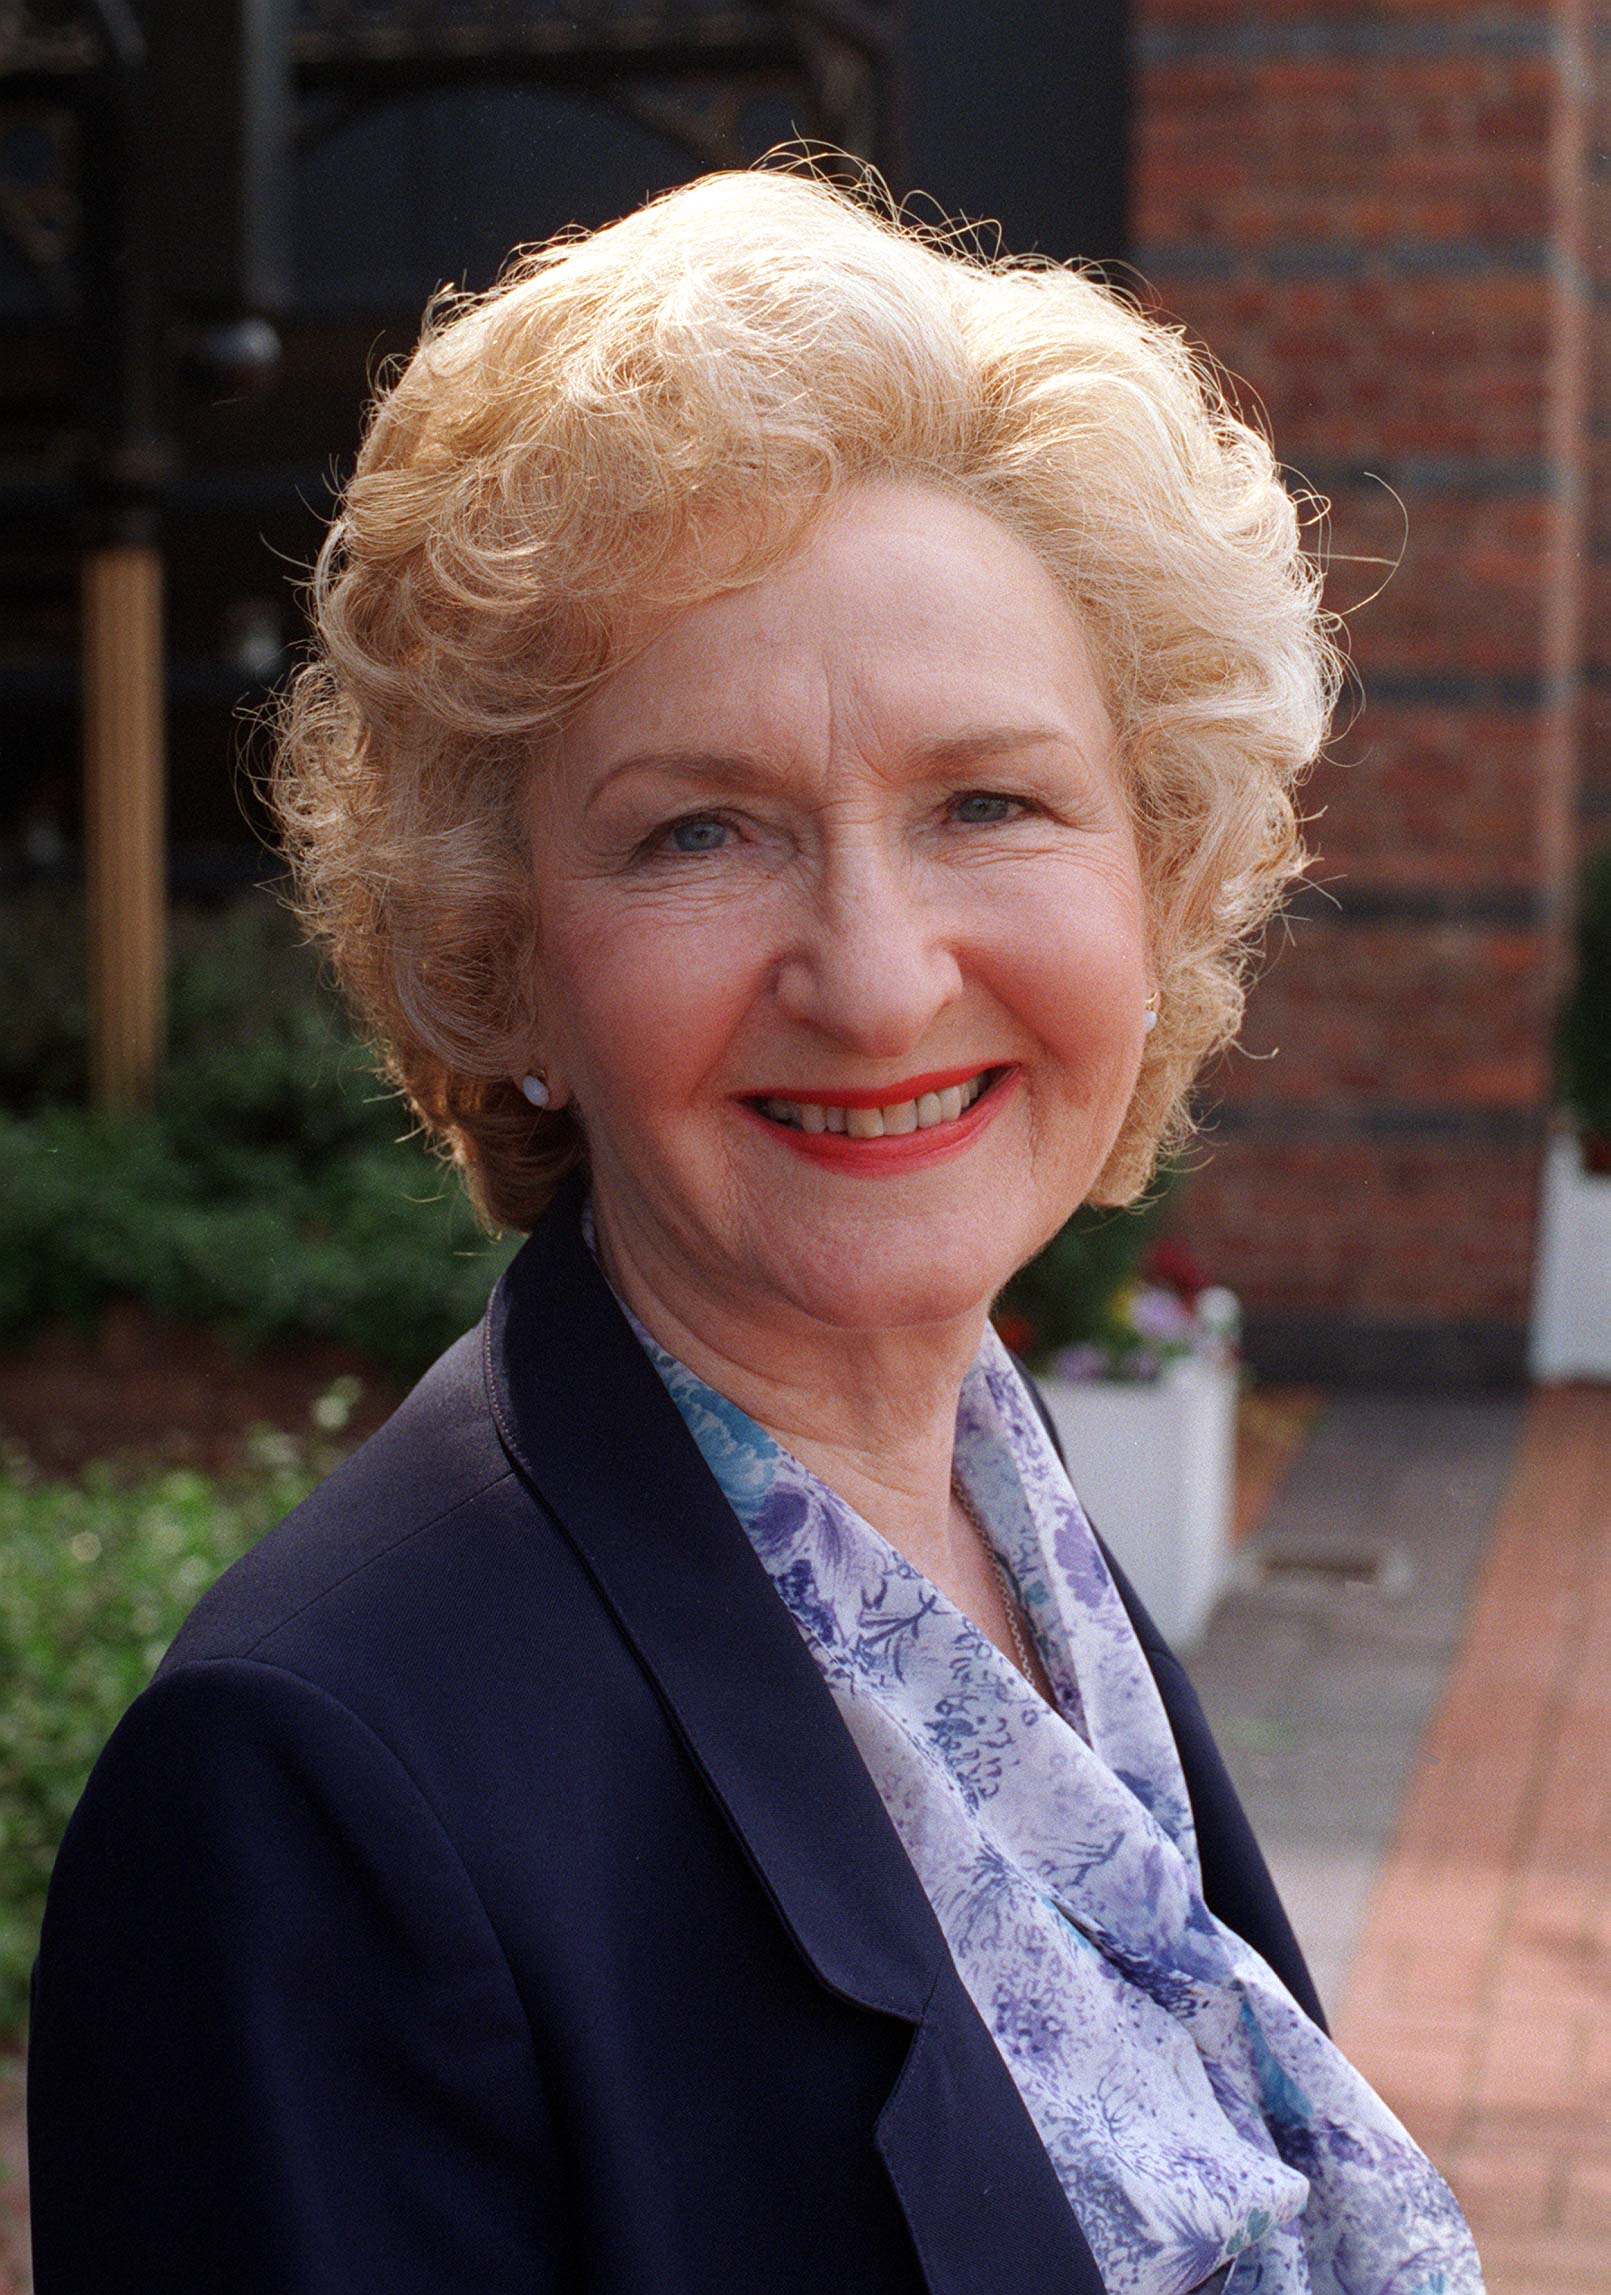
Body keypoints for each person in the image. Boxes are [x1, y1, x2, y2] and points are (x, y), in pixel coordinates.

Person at [26, 166, 1483, 2295]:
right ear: (500, 956)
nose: (877, 977)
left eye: (986, 800)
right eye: (699, 829)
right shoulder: (313, 1791)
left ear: (1157, 885)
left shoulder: (990, 1511)